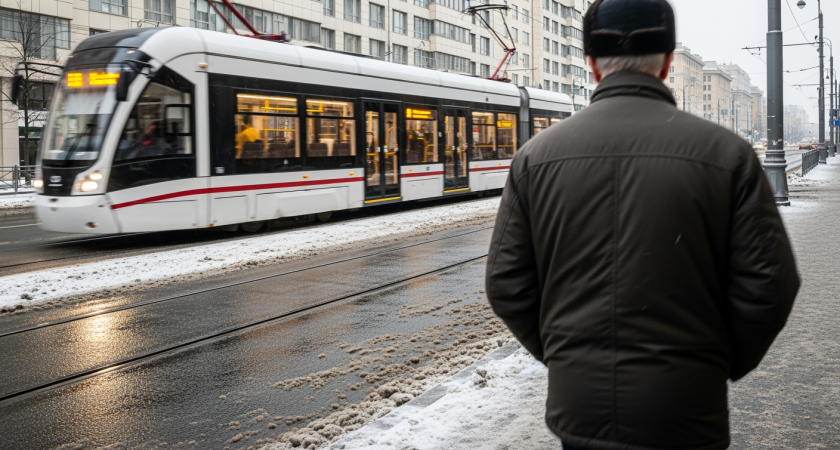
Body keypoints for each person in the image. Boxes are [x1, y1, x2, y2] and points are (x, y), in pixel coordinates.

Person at [484, 1, 800, 450]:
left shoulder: (535, 158)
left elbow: (505, 284)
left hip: (580, 406)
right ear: (669, 62)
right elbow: (771, 285)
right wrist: (715, 362)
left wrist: (568, 358)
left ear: (592, 64)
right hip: (686, 406)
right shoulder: (727, 154)